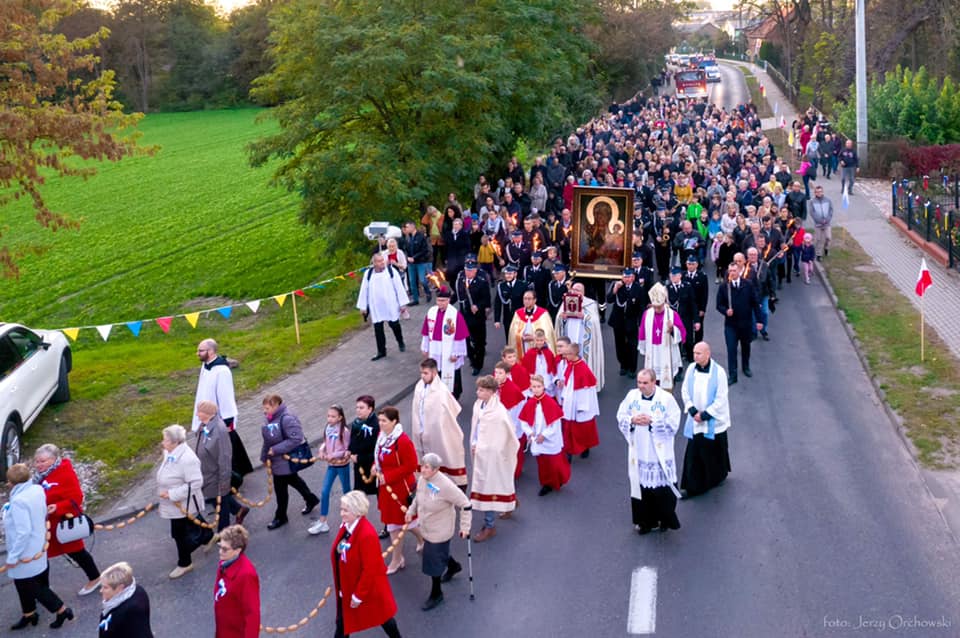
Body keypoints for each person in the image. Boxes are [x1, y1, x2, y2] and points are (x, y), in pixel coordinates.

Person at [4, 463, 73, 630]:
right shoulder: (37, 489)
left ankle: (61, 610)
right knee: (23, 583)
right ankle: (29, 613)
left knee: (31, 586)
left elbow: (23, 532)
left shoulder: (18, 501)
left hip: (25, 552)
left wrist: (13, 557)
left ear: (13, 483)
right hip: (38, 544)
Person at [616, 369, 682, 535]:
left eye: (645, 383)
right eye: (639, 382)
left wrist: (652, 421)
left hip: (658, 452)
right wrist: (632, 420)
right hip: (639, 450)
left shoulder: (666, 399)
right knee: (641, 488)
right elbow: (621, 415)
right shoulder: (632, 396)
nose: (641, 386)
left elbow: (674, 423)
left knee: (661, 488)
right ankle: (645, 521)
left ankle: (664, 519)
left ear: (654, 382)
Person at [32, 443, 101, 596]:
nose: (38, 465)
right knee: (42, 556)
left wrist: (57, 507)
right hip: (47, 525)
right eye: (37, 461)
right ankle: (43, 590)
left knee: (76, 552)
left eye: (43, 461)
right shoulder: (41, 476)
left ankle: (95, 578)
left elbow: (77, 497)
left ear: (54, 459)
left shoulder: (64, 473)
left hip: (63, 524)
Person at [405, 453, 472, 611]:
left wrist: (465, 527)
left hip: (440, 530)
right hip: (427, 526)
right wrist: (410, 511)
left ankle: (437, 594)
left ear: (436, 469)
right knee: (439, 553)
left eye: (427, 467)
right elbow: (418, 498)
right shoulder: (423, 479)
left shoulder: (446, 485)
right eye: (422, 466)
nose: (422, 470)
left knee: (432, 561)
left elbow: (465, 504)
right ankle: (453, 566)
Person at [332, 491, 403, 638]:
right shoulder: (347, 525)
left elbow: (370, 569)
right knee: (343, 624)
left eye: (345, 510)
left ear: (357, 511)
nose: (341, 513)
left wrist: (358, 596)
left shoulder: (367, 535)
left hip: (368, 590)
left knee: (384, 619)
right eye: (341, 509)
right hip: (351, 585)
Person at [192, 339, 252, 492]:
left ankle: (233, 479)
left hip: (220, 418)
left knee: (225, 450)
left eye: (201, 350)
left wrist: (227, 420)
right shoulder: (205, 366)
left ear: (211, 351)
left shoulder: (222, 371)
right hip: (207, 415)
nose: (197, 353)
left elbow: (226, 397)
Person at [373, 406, 423, 574]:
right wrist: (375, 467)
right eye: (379, 420)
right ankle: (422, 539)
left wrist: (388, 476)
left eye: (384, 421)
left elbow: (411, 465)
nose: (380, 424)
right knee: (400, 523)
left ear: (394, 421)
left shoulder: (402, 441)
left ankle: (396, 559)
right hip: (386, 489)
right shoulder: (382, 437)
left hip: (401, 489)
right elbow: (378, 457)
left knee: (395, 526)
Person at [469, 375, 520, 542]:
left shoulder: (498, 412)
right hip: (480, 452)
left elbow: (505, 434)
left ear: (491, 392)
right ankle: (510, 500)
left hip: (492, 456)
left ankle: (489, 526)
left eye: (482, 390)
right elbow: (477, 429)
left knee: (488, 488)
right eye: (478, 389)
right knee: (496, 482)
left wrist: (485, 447)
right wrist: (475, 443)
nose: (477, 392)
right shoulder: (478, 404)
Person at [260, 395, 320, 530]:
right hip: (277, 460)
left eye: (267, 408)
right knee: (294, 480)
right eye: (264, 408)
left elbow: (296, 439)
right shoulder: (269, 419)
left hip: (285, 461)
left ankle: (281, 516)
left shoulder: (287, 419)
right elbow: (267, 441)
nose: (264, 411)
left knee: (280, 489)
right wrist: (264, 457)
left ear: (276, 406)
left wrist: (275, 450)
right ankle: (311, 499)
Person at [680, 342, 732, 498]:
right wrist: (692, 410)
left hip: (713, 420)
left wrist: (705, 415)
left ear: (708, 354)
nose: (695, 356)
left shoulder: (719, 372)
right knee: (694, 451)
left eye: (699, 353)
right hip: (696, 419)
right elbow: (685, 390)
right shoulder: (691, 369)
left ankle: (719, 475)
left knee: (716, 449)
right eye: (694, 353)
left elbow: (721, 397)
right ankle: (693, 486)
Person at [157, 424, 207, 579]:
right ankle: (209, 536)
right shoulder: (170, 452)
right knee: (192, 523)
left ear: (175, 442)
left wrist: (172, 494)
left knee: (179, 534)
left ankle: (185, 563)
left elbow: (196, 483)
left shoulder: (187, 459)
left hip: (182, 504)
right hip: (175, 504)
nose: (162, 443)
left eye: (165, 440)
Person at [411, 359, 467, 488]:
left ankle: (451, 485)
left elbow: (451, 413)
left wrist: (438, 427)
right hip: (420, 432)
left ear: (434, 372)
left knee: (442, 457)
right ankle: (426, 483)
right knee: (423, 459)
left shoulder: (441, 391)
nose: (422, 376)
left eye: (426, 373)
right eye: (421, 373)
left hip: (437, 434)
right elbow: (416, 410)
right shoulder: (419, 387)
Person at [195, 402, 246, 536]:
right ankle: (239, 509)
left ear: (207, 413)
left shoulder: (219, 430)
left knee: (221, 505)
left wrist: (224, 481)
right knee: (215, 498)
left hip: (216, 475)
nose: (196, 414)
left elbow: (224, 458)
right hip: (208, 472)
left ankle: (224, 533)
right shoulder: (204, 426)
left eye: (199, 411)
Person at [518, 375, 570, 496]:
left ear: (543, 387)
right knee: (542, 463)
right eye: (534, 387)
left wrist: (544, 435)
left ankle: (558, 479)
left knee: (554, 463)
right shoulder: (530, 402)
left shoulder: (550, 402)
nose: (536, 389)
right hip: (536, 438)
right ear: (530, 388)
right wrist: (529, 432)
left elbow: (555, 424)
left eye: (539, 386)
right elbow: (523, 421)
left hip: (550, 439)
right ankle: (546, 484)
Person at [716, 263, 762, 384]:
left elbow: (755, 303)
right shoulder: (724, 287)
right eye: (730, 271)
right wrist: (726, 311)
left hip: (745, 324)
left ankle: (745, 367)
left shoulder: (748, 285)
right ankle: (732, 374)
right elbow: (718, 305)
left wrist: (759, 320)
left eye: (734, 271)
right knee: (731, 349)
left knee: (746, 347)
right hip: (731, 325)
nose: (732, 273)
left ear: (739, 271)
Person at [357, 253, 409, 361]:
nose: (382, 263)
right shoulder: (368, 274)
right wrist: (363, 306)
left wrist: (402, 303)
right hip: (376, 306)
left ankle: (400, 341)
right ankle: (381, 351)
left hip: (390, 305)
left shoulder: (391, 271)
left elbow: (399, 287)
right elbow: (364, 290)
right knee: (378, 329)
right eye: (379, 261)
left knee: (394, 325)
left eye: (382, 260)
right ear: (374, 263)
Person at [309, 405, 352, 535]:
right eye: (328, 416)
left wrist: (332, 455)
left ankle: (350, 521)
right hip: (331, 466)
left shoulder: (344, 431)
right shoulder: (328, 428)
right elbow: (325, 442)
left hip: (342, 466)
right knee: (325, 491)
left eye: (333, 416)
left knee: (347, 493)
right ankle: (323, 522)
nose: (329, 419)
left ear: (340, 417)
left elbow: (346, 449)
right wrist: (322, 450)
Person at [554, 282, 605, 391]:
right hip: (569, 335)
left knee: (582, 359)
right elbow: (559, 318)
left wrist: (584, 317)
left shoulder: (590, 304)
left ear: (583, 292)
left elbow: (595, 321)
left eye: (577, 290)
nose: (574, 292)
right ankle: (567, 382)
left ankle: (586, 383)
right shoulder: (566, 301)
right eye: (573, 290)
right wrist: (563, 318)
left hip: (583, 337)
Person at [420, 287, 469, 399]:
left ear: (448, 300)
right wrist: (425, 347)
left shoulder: (455, 314)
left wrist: (456, 353)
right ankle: (439, 395)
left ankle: (454, 395)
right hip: (435, 348)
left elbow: (460, 336)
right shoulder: (431, 312)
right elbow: (426, 331)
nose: (440, 303)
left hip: (450, 349)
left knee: (453, 374)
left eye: (443, 301)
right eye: (438, 300)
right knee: (437, 372)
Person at [213, 525, 260, 638]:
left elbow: (252, 613)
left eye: (225, 549)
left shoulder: (246, 575)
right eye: (220, 546)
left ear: (237, 550)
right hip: (224, 629)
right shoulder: (225, 563)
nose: (220, 552)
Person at [638, 282, 687, 390]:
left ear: (664, 302)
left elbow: (682, 333)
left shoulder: (672, 314)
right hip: (652, 350)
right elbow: (642, 332)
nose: (657, 309)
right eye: (655, 307)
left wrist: (673, 329)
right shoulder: (647, 314)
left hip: (667, 349)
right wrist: (643, 347)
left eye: (659, 307)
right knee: (652, 378)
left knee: (667, 379)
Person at [557, 343, 600, 460]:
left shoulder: (583, 368)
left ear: (574, 354)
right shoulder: (570, 364)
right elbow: (568, 381)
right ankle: (569, 450)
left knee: (582, 427)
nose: (565, 356)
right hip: (570, 400)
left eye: (567, 354)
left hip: (580, 403)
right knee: (568, 426)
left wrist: (582, 407)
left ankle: (585, 447)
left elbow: (586, 390)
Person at [454, 257, 491, 375]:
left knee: (479, 342)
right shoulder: (460, 280)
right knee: (465, 340)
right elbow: (457, 295)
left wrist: (478, 306)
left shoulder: (481, 282)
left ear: (475, 271)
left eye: (470, 270)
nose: (468, 272)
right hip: (464, 315)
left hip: (477, 317)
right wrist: (446, 300)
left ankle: (478, 364)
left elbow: (486, 299)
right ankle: (472, 359)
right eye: (466, 270)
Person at [98, 561, 153, 637]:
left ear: (120, 588)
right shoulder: (138, 590)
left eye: (105, 587)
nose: (101, 591)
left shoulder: (120, 612)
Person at [607, 267, 645, 377]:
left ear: (633, 277)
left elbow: (641, 306)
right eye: (624, 277)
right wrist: (615, 289)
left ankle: (632, 368)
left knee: (632, 345)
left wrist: (641, 322)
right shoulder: (617, 285)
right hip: (618, 321)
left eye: (628, 277)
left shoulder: (638, 288)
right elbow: (609, 300)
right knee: (620, 345)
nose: (626, 279)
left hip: (631, 320)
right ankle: (623, 365)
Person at [509, 289, 557, 356]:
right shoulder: (518, 313)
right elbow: (513, 332)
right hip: (523, 345)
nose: (526, 301)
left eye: (529, 299)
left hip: (537, 346)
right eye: (525, 299)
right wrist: (520, 336)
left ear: (535, 300)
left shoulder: (543, 314)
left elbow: (548, 333)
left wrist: (534, 337)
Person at [400, 220, 432, 306]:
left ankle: (428, 291)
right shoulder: (407, 237)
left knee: (422, 280)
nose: (406, 229)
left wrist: (414, 257)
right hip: (410, 263)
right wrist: (407, 257)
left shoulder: (421, 236)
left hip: (420, 262)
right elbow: (405, 249)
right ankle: (415, 299)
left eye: (407, 227)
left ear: (412, 226)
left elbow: (424, 250)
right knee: (412, 281)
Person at [493, 265, 528, 341]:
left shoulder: (523, 285)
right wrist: (497, 320)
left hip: (520, 317)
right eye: (506, 274)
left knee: (521, 338)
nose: (508, 276)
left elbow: (527, 302)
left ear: (515, 274)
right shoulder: (501, 286)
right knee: (509, 338)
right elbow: (498, 304)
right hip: (507, 318)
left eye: (510, 274)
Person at [808, 184, 833, 260]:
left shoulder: (828, 200)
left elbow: (831, 210)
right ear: (815, 193)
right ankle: (819, 254)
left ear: (823, 192)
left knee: (828, 237)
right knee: (819, 239)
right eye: (817, 192)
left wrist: (827, 219)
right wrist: (820, 220)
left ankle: (826, 248)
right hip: (818, 224)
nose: (819, 193)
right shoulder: (812, 201)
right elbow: (812, 213)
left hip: (827, 223)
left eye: (820, 191)